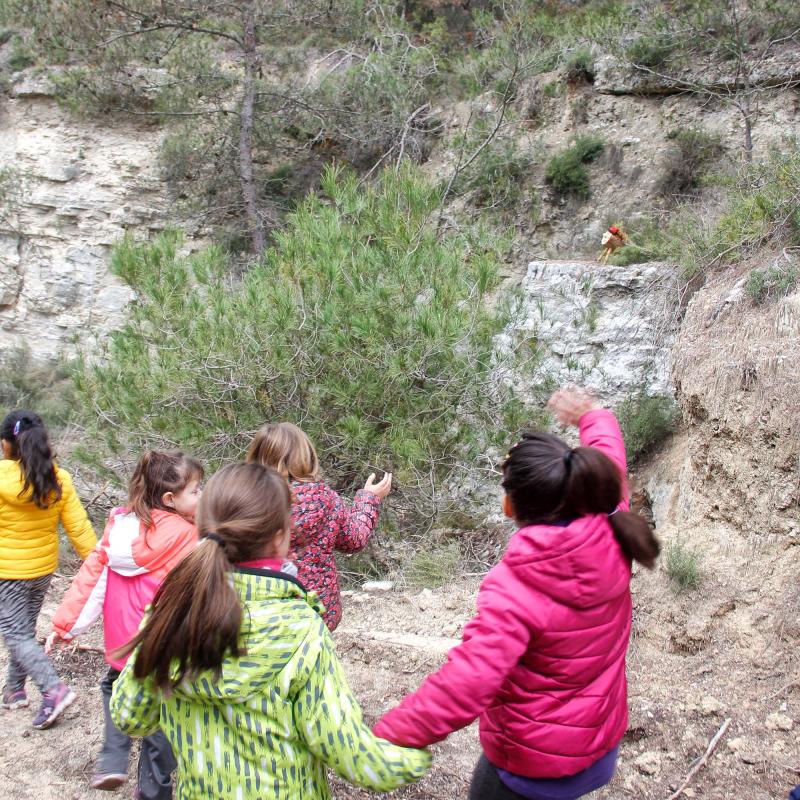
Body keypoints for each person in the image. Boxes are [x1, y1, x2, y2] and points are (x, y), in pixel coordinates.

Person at [373, 386, 661, 800]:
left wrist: (391, 735)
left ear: (510, 507)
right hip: (598, 746)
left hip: (534, 765)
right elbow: (609, 456)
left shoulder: (520, 585)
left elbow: (468, 681)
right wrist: (592, 414)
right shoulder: (609, 520)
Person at [109, 462, 430, 799]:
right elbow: (348, 752)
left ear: (202, 525)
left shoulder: (172, 612)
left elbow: (131, 716)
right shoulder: (302, 630)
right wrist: (412, 758)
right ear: (280, 538)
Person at [47, 451, 202, 796]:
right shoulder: (190, 536)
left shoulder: (119, 526)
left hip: (121, 646)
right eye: (196, 491)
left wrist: (65, 625)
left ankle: (113, 759)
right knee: (163, 720)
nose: (201, 496)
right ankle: (153, 790)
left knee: (113, 688)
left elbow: (92, 579)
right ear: (169, 499)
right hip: (163, 649)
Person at [0, 409, 96, 729]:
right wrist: (100, 565)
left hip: (8, 572)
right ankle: (14, 690)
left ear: (6, 445)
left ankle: (53, 690)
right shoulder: (59, 478)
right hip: (42, 571)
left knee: (16, 634)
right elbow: (79, 529)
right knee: (24, 632)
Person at [246, 422, 391, 629]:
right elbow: (353, 539)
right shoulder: (323, 498)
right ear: (305, 456)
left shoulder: (244, 500)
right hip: (316, 611)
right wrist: (369, 499)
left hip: (260, 612)